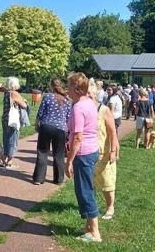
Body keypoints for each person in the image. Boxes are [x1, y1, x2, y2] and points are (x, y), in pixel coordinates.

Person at [65, 72, 101, 242]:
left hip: (83, 153)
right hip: (92, 150)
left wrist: (69, 160)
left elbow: (78, 137)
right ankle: (89, 227)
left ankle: (95, 233)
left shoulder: (79, 107)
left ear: (76, 88)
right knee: (87, 188)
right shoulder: (89, 102)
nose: (67, 90)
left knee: (85, 191)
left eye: (69, 86)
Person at [88, 79, 120, 220]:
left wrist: (113, 151)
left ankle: (110, 207)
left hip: (104, 151)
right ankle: (92, 208)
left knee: (107, 182)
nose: (87, 97)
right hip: (88, 152)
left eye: (89, 94)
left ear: (94, 94)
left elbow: (113, 132)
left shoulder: (104, 110)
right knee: (90, 183)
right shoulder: (81, 108)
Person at [33, 79, 72, 185]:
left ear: (51, 86)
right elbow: (69, 117)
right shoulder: (67, 99)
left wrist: (37, 124)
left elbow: (40, 112)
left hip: (46, 126)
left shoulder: (47, 97)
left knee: (42, 152)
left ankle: (39, 178)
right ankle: (59, 179)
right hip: (60, 128)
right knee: (58, 154)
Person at [1, 77, 28, 168]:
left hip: (5, 118)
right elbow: (24, 105)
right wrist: (24, 101)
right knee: (13, 140)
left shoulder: (6, 93)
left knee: (6, 139)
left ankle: (4, 158)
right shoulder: (15, 93)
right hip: (13, 120)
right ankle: (9, 161)